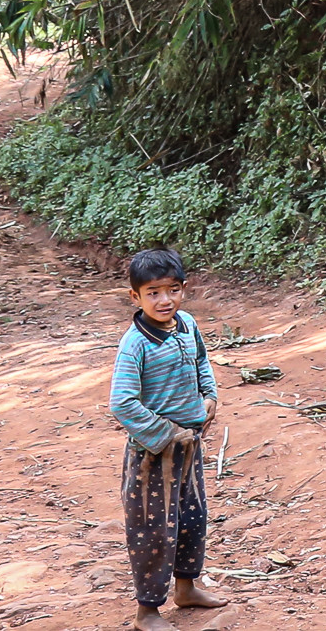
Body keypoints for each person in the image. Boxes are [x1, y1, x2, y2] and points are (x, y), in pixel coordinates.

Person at [109, 248, 227, 631]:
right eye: (153, 292)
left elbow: (201, 364)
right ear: (136, 297)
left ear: (183, 289)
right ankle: (147, 612)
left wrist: (208, 398)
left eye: (172, 290)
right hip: (152, 456)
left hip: (190, 449)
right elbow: (122, 402)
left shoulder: (188, 325)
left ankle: (186, 589)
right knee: (153, 530)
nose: (165, 300)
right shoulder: (135, 343)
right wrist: (167, 432)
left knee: (191, 519)